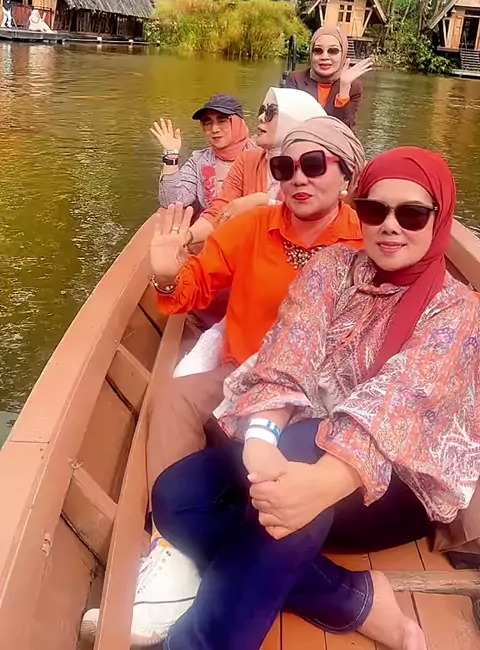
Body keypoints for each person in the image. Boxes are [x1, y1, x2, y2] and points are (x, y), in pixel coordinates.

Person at [148, 146, 480, 650]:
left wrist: (320, 483)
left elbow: (396, 404)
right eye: (375, 210)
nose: (390, 226)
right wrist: (260, 441)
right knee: (177, 497)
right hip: (301, 449)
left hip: (394, 484)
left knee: (302, 455)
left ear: (439, 217)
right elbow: (289, 354)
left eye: (412, 214)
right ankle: (352, 598)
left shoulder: (458, 310)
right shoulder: (332, 267)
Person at [80, 116, 366, 646]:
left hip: (332, 389)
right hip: (247, 372)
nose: (297, 177)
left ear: (346, 175)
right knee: (176, 397)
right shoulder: (252, 227)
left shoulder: (368, 238)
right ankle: (172, 549)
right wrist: (167, 272)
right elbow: (189, 290)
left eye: (313, 165)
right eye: (284, 166)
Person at [187, 86, 326, 246]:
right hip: (251, 249)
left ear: (295, 120)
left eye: (270, 113)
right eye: (262, 110)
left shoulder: (317, 167)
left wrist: (265, 202)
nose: (260, 117)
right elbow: (220, 211)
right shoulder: (248, 159)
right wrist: (185, 237)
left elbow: (316, 220)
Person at [152, 94, 255, 215]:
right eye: (208, 122)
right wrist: (171, 155)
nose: (214, 129)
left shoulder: (261, 154)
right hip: (212, 224)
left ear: (238, 123)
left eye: (222, 121)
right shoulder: (199, 160)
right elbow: (171, 202)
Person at [285, 25, 373, 130]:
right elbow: (287, 123)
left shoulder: (354, 87)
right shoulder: (295, 80)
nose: (324, 57)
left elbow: (345, 130)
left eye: (333, 51)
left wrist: (344, 89)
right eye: (318, 50)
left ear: (343, 54)